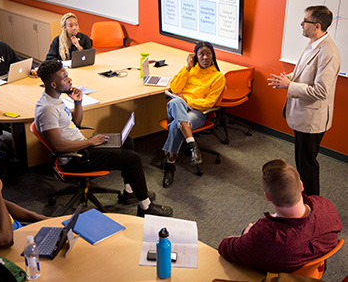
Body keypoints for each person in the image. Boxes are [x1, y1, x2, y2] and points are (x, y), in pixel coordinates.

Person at [34, 59, 173, 217]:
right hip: (75, 158)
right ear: (53, 84)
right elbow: (57, 146)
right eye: (65, 78)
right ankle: (145, 207)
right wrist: (90, 142)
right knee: (132, 159)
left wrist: (78, 102)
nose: (70, 79)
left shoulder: (55, 99)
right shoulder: (47, 109)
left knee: (127, 141)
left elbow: (76, 123)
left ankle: (130, 192)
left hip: (81, 147)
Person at [218, 159, 342, 273]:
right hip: (315, 271)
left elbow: (225, 247)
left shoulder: (265, 236)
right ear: (301, 185)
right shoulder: (326, 206)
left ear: (267, 197)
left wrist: (247, 235)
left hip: (284, 276)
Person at [267, 6, 340, 196]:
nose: (301, 23)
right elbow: (303, 73)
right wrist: (289, 78)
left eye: (305, 21)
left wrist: (289, 86)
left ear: (316, 26)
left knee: (307, 165)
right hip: (302, 115)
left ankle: (312, 205)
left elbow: (321, 91)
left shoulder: (328, 53)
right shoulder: (314, 43)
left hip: (311, 119)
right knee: (302, 162)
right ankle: (302, 200)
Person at [162, 41, 225, 187]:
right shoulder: (189, 70)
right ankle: (191, 143)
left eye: (208, 54)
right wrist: (188, 68)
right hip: (179, 107)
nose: (205, 57)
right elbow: (174, 88)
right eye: (201, 54)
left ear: (213, 56)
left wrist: (187, 99)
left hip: (197, 112)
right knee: (175, 102)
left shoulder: (218, 77)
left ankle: (170, 164)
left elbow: (209, 103)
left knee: (175, 126)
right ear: (195, 56)